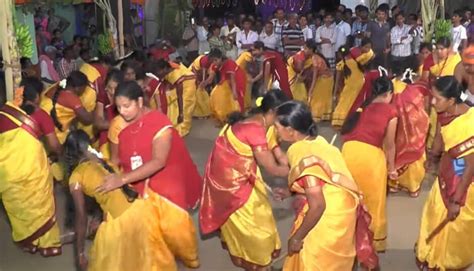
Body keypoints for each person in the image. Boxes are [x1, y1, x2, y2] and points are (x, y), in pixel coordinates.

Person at [64, 130, 199, 271]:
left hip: (122, 221)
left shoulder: (76, 177)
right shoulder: (103, 161)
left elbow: (81, 215)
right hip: (140, 207)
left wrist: (79, 253)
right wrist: (100, 217)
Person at [272, 101, 378, 271]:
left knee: (315, 259)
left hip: (328, 213)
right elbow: (321, 179)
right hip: (345, 204)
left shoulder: (302, 153)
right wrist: (289, 191)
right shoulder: (319, 142)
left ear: (290, 130)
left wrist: (297, 238)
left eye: (277, 127)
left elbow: (318, 204)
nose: (275, 131)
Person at [199, 90, 290, 270]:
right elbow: (273, 168)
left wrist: (294, 161)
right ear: (272, 112)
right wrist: (299, 172)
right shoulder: (255, 129)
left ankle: (256, 257)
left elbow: (279, 154)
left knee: (261, 214)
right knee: (255, 226)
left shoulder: (264, 122)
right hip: (232, 183)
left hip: (243, 174)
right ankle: (257, 262)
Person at [97, 81, 202, 210]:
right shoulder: (118, 124)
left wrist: (122, 179)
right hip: (136, 181)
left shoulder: (159, 124)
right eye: (118, 107)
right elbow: (117, 159)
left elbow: (159, 161)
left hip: (166, 182)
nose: (122, 111)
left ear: (140, 102)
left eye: (126, 106)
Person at [415, 76, 474, 270]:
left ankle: (442, 261)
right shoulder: (445, 111)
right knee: (433, 212)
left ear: (451, 101)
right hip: (446, 173)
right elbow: (441, 133)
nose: (432, 102)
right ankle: (429, 252)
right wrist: (433, 156)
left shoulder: (467, 125)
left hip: (463, 184)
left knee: (451, 225)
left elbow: (469, 168)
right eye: (432, 97)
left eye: (437, 99)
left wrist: (457, 201)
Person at [0, 89, 61, 257]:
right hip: (32, 169)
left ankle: (30, 243)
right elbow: (54, 145)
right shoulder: (41, 115)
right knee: (41, 204)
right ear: (36, 97)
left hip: (7, 170)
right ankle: (48, 245)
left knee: (20, 205)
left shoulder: (5, 113)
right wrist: (58, 155)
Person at [341, 75, 398, 252]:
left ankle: (346, 237)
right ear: (389, 93)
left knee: (349, 197)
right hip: (369, 157)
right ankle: (371, 243)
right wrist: (392, 169)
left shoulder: (363, 107)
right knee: (373, 201)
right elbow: (389, 145)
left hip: (347, 152)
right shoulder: (391, 111)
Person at [388, 64, 430, 197]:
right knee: (412, 156)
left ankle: (394, 184)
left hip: (394, 128)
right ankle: (413, 187)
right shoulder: (412, 91)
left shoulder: (388, 88)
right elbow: (421, 114)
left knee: (392, 150)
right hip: (412, 132)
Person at [40, 71, 93, 144]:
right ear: (78, 88)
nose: (84, 91)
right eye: (84, 88)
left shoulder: (56, 86)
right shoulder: (72, 99)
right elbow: (87, 120)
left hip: (42, 128)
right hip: (55, 135)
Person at [332, 39, 374, 128]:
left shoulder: (341, 64)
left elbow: (337, 80)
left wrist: (335, 93)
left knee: (344, 102)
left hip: (350, 87)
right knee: (356, 102)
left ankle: (339, 121)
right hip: (360, 85)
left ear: (340, 54)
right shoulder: (358, 61)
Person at [154, 59, 197, 137]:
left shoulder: (176, 76)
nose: (158, 73)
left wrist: (181, 113)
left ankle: (183, 129)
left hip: (188, 86)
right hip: (181, 82)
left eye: (159, 71)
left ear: (165, 69)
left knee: (185, 106)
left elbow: (179, 96)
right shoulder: (169, 66)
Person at [207, 48, 247, 124]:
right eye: (212, 61)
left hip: (238, 79)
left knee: (238, 98)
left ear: (220, 57)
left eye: (215, 60)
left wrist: (234, 91)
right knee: (225, 98)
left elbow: (233, 79)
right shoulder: (216, 64)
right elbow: (212, 77)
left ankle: (241, 118)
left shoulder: (229, 63)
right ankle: (228, 117)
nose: (214, 62)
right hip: (228, 80)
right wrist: (205, 82)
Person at [94, 69, 124, 160]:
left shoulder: (125, 96)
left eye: (115, 88)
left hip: (123, 138)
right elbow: (99, 123)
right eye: (109, 88)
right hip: (107, 138)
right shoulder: (103, 96)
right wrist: (118, 125)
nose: (112, 92)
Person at [303, 40, 334, 122]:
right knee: (324, 97)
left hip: (324, 79)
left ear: (311, 49)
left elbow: (315, 76)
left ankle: (317, 116)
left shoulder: (314, 58)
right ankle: (325, 115)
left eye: (305, 48)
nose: (304, 50)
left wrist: (311, 89)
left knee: (317, 97)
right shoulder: (315, 56)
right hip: (328, 78)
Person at [188, 53, 214, 118]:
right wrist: (199, 81)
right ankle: (197, 112)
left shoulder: (209, 61)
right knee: (195, 93)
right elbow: (200, 71)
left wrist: (203, 82)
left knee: (201, 93)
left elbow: (207, 74)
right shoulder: (204, 60)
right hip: (193, 74)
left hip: (198, 75)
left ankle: (203, 111)